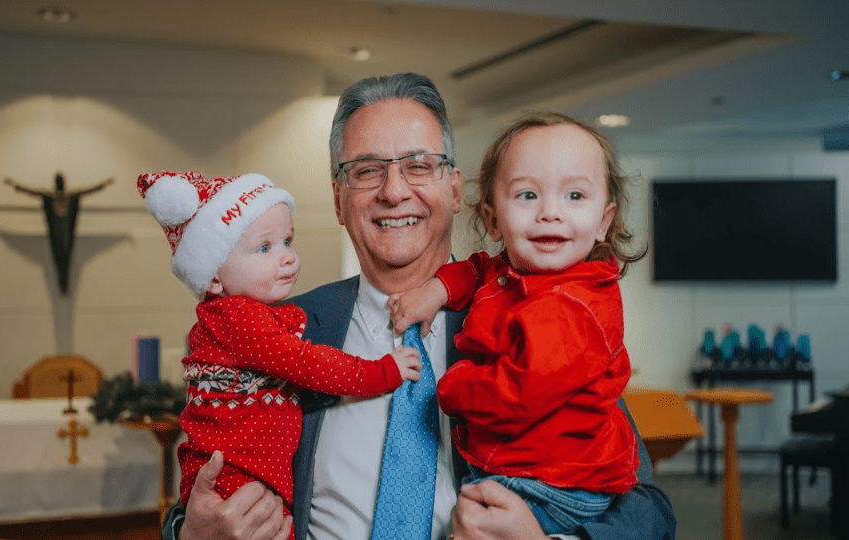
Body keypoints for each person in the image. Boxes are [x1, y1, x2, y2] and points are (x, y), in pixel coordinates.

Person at [164, 73, 676, 540]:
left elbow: (649, 514)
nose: (393, 191)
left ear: (454, 189)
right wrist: (191, 534)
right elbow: (209, 471)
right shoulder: (282, 331)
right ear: (339, 198)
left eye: (418, 166)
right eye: (366, 171)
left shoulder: (532, 316)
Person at [387, 112, 647, 535]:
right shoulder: (513, 271)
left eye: (575, 196)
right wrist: (436, 290)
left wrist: (452, 386)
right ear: (492, 219)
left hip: (552, 485)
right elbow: (477, 269)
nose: (550, 212)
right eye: (527, 195)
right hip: (524, 470)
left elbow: (517, 395)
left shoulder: (574, 306)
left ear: (604, 220)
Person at [137, 170, 421, 540]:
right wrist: (384, 372)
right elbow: (311, 364)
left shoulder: (244, 318)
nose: (287, 258)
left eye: (288, 241)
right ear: (213, 278)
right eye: (265, 248)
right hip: (236, 483)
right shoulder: (242, 320)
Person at [4, 173, 113, 294]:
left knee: (65, 253)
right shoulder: (51, 196)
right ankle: (62, 281)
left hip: (66, 226)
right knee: (58, 252)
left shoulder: (68, 195)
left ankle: (64, 281)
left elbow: (88, 191)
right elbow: (32, 192)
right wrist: (14, 185)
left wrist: (103, 185)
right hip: (56, 227)